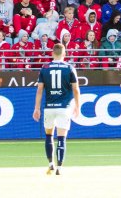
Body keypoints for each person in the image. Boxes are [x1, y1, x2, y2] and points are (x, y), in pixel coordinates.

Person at [32, 41, 80, 176]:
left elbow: (39, 90)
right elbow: (76, 89)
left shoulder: (45, 68)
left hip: (49, 107)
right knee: (61, 138)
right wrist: (78, 106)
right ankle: (59, 167)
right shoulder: (69, 68)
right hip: (64, 107)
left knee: (48, 135)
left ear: (52, 53)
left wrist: (37, 108)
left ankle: (50, 164)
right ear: (64, 54)